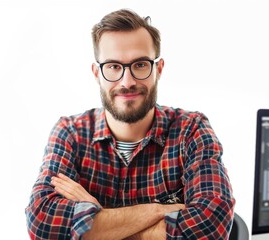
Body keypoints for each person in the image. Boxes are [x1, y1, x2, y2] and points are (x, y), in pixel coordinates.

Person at [25, 8, 235, 240]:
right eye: (113, 66)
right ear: (97, 73)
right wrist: (158, 210)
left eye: (140, 65)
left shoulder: (191, 129)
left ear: (158, 69)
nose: (127, 81)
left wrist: (98, 223)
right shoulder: (70, 133)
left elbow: (213, 226)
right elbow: (41, 222)